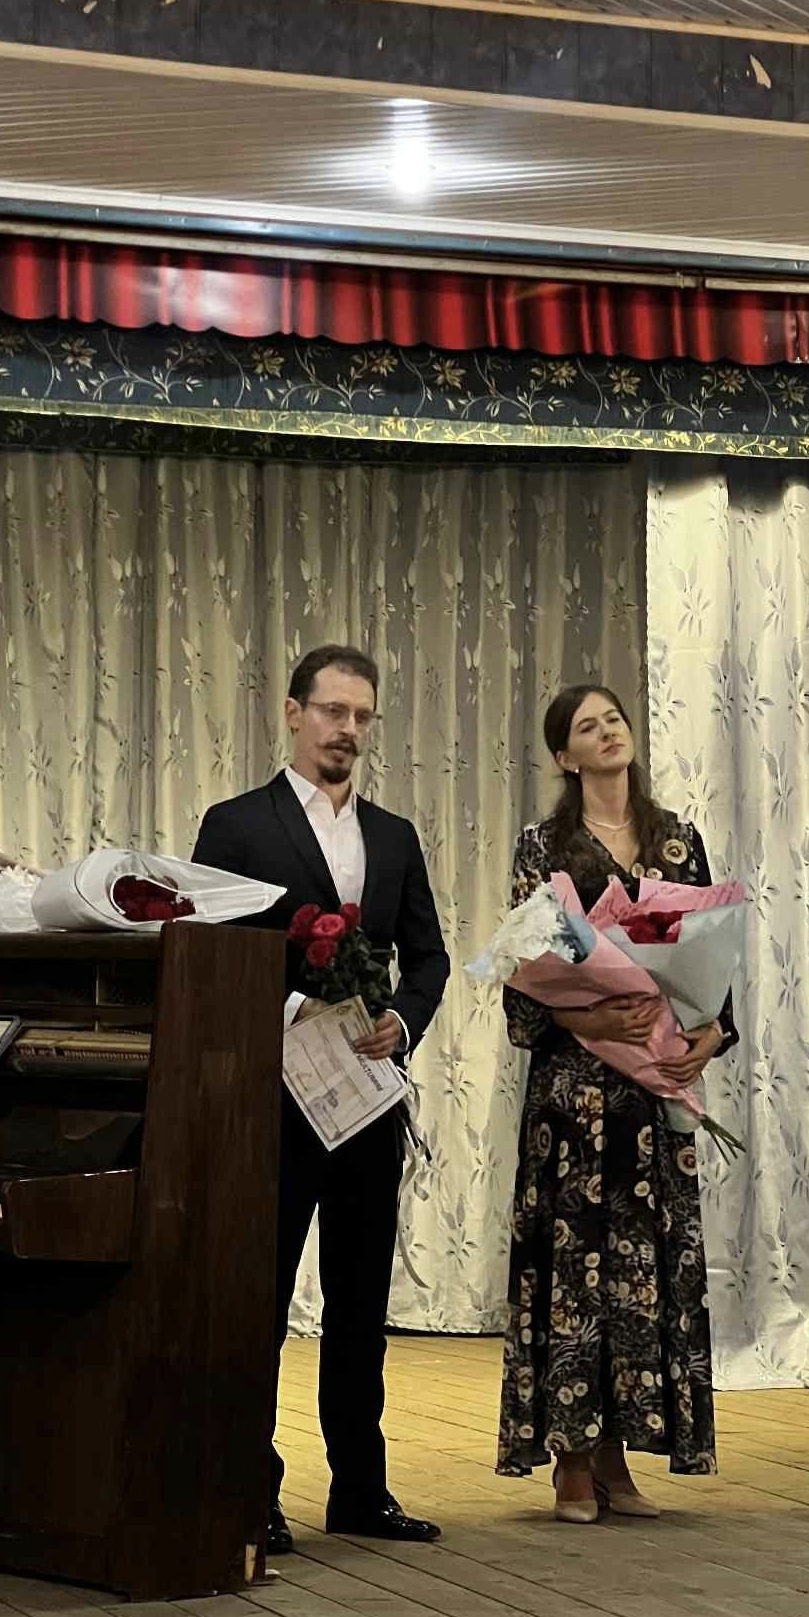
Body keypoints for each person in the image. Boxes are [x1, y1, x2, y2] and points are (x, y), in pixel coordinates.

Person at [194, 644, 449, 1555]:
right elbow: (206, 949)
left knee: (359, 1302)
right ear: (294, 713)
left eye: (362, 716)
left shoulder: (395, 835)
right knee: (258, 1301)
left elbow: (429, 956)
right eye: (334, 711)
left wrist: (402, 1021)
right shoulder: (236, 826)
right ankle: (249, 1489)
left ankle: (360, 1491)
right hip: (273, 1100)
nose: (348, 729)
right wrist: (292, 1006)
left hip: (368, 1102)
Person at [495, 684, 734, 1521]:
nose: (607, 733)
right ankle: (570, 1457)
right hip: (575, 1103)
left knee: (642, 1275)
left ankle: (618, 1455)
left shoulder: (678, 841)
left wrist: (712, 1032)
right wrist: (586, 1016)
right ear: (565, 756)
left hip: (652, 1093)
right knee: (575, 1273)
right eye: (587, 728)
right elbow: (523, 976)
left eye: (615, 720)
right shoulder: (544, 848)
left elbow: (715, 952)